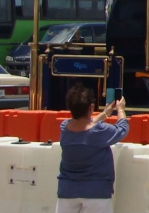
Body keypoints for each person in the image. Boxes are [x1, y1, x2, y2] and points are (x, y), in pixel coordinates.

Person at [57, 83, 128, 213]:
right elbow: (122, 129)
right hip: (96, 192)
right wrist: (121, 110)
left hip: (67, 191)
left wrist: (105, 114)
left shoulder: (64, 128)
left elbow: (85, 125)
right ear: (90, 107)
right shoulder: (99, 131)